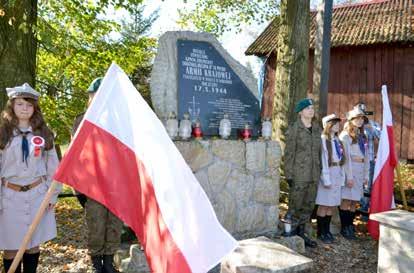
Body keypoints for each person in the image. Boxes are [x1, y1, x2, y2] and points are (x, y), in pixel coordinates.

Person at [0, 83, 61, 273]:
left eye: (29, 105)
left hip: (37, 195)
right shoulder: (2, 132)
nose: (24, 108)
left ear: (35, 108)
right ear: (12, 106)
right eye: (20, 104)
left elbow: (54, 167)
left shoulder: (44, 133)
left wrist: (52, 195)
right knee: (11, 247)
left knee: (33, 244)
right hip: (9, 196)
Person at [72, 78, 123, 273]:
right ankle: (96, 263)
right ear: (90, 97)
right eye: (96, 95)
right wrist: (79, 190)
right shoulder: (81, 121)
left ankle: (109, 262)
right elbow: (76, 157)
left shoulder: (120, 122)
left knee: (114, 225)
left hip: (117, 184)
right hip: (93, 185)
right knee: (96, 225)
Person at [284, 98, 321, 248]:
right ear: (300, 112)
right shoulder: (294, 128)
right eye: (307, 108)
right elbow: (289, 153)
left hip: (313, 174)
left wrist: (320, 171)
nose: (311, 110)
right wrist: (289, 174)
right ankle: (289, 234)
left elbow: (319, 153)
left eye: (312, 108)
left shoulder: (317, 128)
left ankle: (302, 233)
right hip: (299, 174)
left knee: (308, 206)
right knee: (295, 205)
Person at [339, 107, 369, 240]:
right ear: (351, 120)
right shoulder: (345, 135)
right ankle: (344, 227)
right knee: (346, 200)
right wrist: (349, 176)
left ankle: (350, 226)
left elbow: (367, 157)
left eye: (362, 118)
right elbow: (345, 158)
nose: (360, 120)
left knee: (354, 202)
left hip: (360, 171)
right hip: (349, 172)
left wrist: (366, 176)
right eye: (357, 118)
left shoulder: (363, 136)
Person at [315, 114, 345, 244]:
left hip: (337, 172)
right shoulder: (323, 140)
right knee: (323, 204)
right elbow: (323, 160)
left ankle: (327, 231)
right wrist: (326, 179)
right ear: (328, 125)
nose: (338, 125)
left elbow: (341, 160)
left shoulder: (337, 141)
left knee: (331, 205)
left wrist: (342, 177)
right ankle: (321, 232)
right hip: (327, 173)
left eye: (338, 123)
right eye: (335, 123)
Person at [353, 102, 381, 221]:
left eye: (363, 112)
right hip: (354, 162)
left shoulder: (372, 124)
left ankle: (364, 214)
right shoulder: (352, 125)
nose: (361, 115)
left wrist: (371, 128)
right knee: (353, 186)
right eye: (359, 111)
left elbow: (382, 135)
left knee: (367, 187)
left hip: (368, 162)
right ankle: (352, 212)